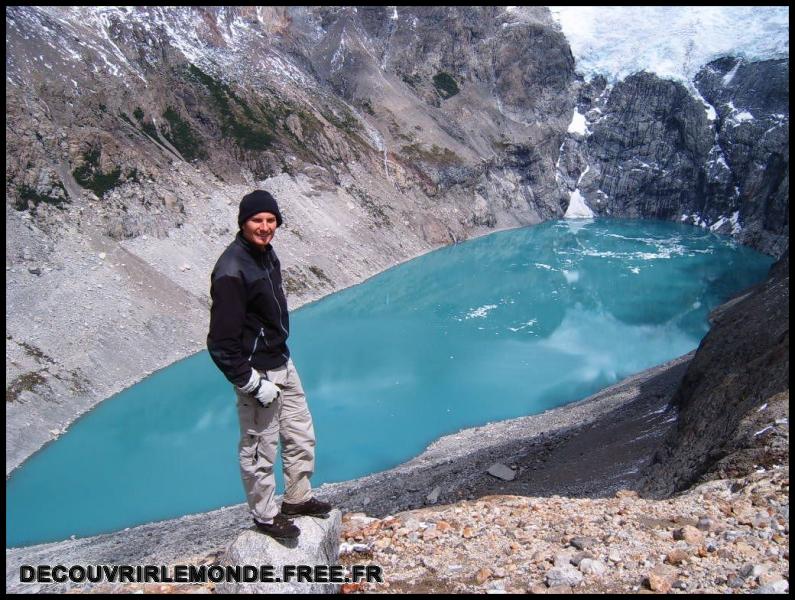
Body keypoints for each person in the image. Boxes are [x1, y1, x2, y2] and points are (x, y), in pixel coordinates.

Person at [207, 189, 331, 540]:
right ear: (243, 222)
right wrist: (251, 383)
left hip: (281, 362)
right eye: (257, 220)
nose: (265, 227)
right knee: (261, 447)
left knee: (300, 434)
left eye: (270, 220)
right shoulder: (231, 270)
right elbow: (220, 342)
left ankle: (297, 498)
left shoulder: (266, 255)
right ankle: (265, 515)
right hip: (258, 374)